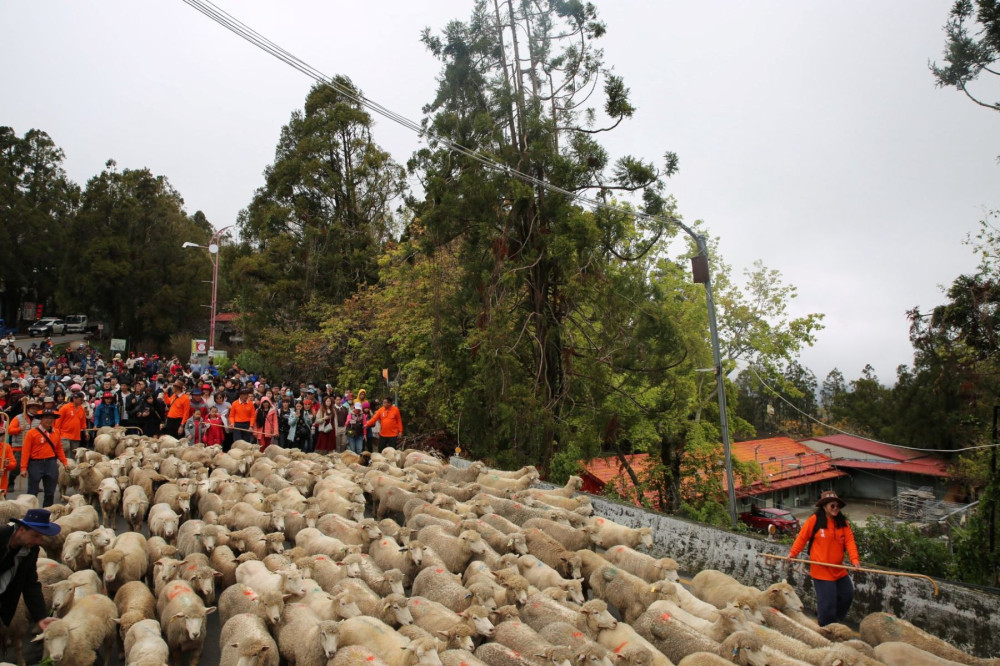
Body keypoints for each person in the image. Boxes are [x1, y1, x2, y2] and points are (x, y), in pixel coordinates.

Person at [788, 490, 860, 627]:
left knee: (847, 596)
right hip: (821, 570)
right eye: (832, 506)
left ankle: (832, 619)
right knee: (828, 602)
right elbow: (802, 538)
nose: (836, 508)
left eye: (837, 506)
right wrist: (793, 553)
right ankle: (825, 626)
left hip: (839, 570)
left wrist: (855, 560)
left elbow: (850, 542)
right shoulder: (815, 520)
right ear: (824, 506)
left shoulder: (843, 523)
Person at [0, 508, 60, 638]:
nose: (38, 541)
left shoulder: (30, 551)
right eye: (35, 536)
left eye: (41, 537)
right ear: (21, 530)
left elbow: (30, 584)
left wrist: (41, 617)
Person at [20, 409, 68, 507]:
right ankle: (30, 513)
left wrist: (65, 462)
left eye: (51, 418)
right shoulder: (32, 433)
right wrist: (23, 468)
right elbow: (26, 451)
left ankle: (46, 513)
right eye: (46, 417)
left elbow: (59, 449)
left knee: (50, 491)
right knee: (32, 492)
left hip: (51, 463)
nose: (49, 420)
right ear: (41, 419)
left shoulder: (56, 432)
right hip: (35, 463)